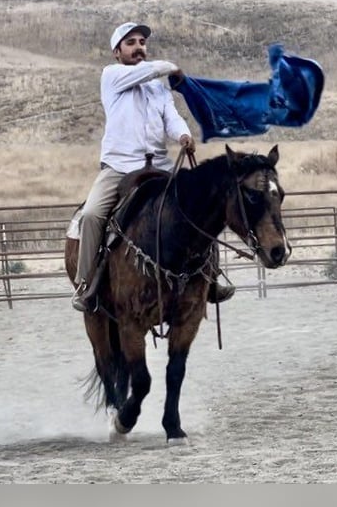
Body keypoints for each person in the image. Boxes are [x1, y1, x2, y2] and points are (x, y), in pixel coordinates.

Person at [71, 21, 236, 312]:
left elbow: (170, 116)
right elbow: (150, 70)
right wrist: (171, 66)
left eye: (142, 43)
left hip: (158, 165)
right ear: (117, 52)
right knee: (92, 214)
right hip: (119, 167)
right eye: (131, 42)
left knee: (200, 205)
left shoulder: (158, 88)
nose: (138, 47)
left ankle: (211, 278)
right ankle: (87, 285)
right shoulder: (112, 76)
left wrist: (183, 134)